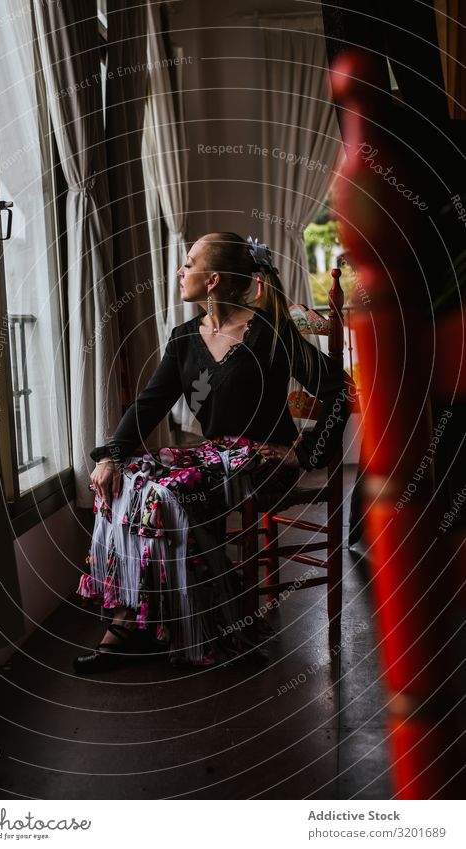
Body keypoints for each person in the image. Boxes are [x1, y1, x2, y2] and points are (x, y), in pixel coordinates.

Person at [73, 232, 354, 673]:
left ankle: (192, 627)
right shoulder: (185, 338)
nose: (180, 270)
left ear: (213, 279)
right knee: (128, 479)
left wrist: (305, 453)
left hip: (262, 462)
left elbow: (339, 392)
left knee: (169, 494)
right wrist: (109, 456)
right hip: (213, 457)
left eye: (189, 262)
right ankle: (139, 621)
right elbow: (149, 405)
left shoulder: (270, 333)